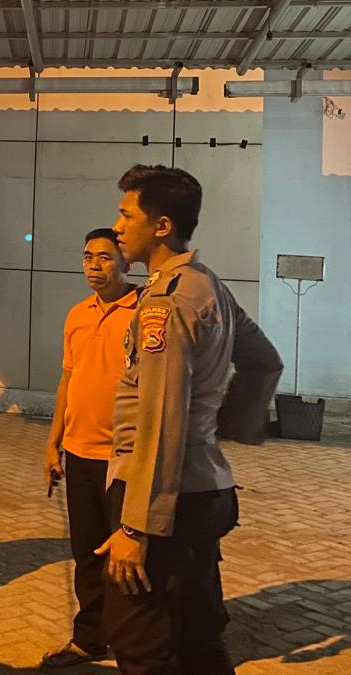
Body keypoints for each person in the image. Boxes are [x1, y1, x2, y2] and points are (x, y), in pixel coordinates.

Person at [97, 165, 284, 675]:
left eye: (126, 215)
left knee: (142, 642)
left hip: (162, 497)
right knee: (198, 635)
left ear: (162, 226)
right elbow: (265, 361)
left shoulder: (168, 301)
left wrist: (137, 527)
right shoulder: (208, 284)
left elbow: (161, 418)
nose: (117, 226)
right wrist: (221, 429)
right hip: (204, 488)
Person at [40, 229, 139, 669]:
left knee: (128, 559)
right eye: (87, 257)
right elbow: (68, 381)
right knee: (87, 555)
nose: (93, 266)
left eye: (104, 257)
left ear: (126, 264)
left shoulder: (144, 313)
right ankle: (90, 638)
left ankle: (135, 644)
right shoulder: (77, 314)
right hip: (79, 454)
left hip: (124, 459)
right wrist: (53, 444)